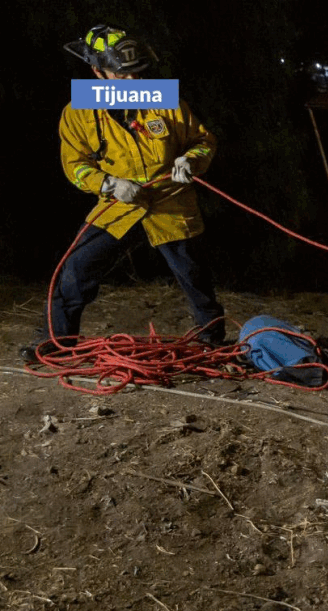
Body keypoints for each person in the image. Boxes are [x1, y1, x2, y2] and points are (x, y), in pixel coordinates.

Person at [23, 25, 223, 362]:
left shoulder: (164, 98)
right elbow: (75, 164)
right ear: (97, 72)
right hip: (119, 203)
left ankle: (213, 343)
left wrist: (190, 160)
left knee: (194, 275)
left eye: (139, 74)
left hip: (170, 199)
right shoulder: (79, 111)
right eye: (122, 75)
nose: (134, 84)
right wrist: (108, 184)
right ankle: (58, 342)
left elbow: (203, 140)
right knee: (76, 268)